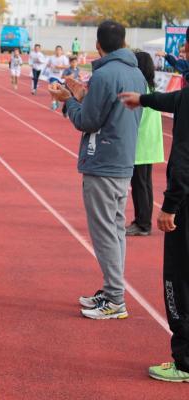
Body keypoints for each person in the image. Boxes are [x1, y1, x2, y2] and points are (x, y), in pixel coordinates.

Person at [48, 20, 146, 320]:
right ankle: (111, 289)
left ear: (98, 45)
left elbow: (88, 121)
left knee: (104, 232)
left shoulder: (104, 74)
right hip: (123, 159)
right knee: (115, 230)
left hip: (103, 160)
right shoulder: (136, 72)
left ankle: (115, 297)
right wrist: (81, 97)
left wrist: (68, 103)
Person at [119, 26, 189, 384]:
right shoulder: (183, 95)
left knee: (178, 280)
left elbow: (183, 161)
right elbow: (174, 101)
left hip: (186, 206)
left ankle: (184, 362)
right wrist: (143, 99)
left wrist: (170, 206)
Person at [125, 52, 164, 237]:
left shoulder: (140, 89)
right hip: (149, 143)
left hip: (141, 142)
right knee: (144, 184)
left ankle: (143, 223)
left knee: (140, 184)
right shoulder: (150, 87)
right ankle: (143, 220)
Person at [46, 45, 69, 110]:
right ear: (55, 51)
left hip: (61, 77)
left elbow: (67, 66)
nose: (58, 51)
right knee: (54, 88)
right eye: (57, 50)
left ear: (61, 51)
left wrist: (59, 67)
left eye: (59, 50)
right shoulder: (52, 57)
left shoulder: (64, 58)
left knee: (59, 91)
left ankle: (56, 100)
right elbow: (48, 64)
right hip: (53, 76)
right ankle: (53, 103)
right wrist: (49, 65)